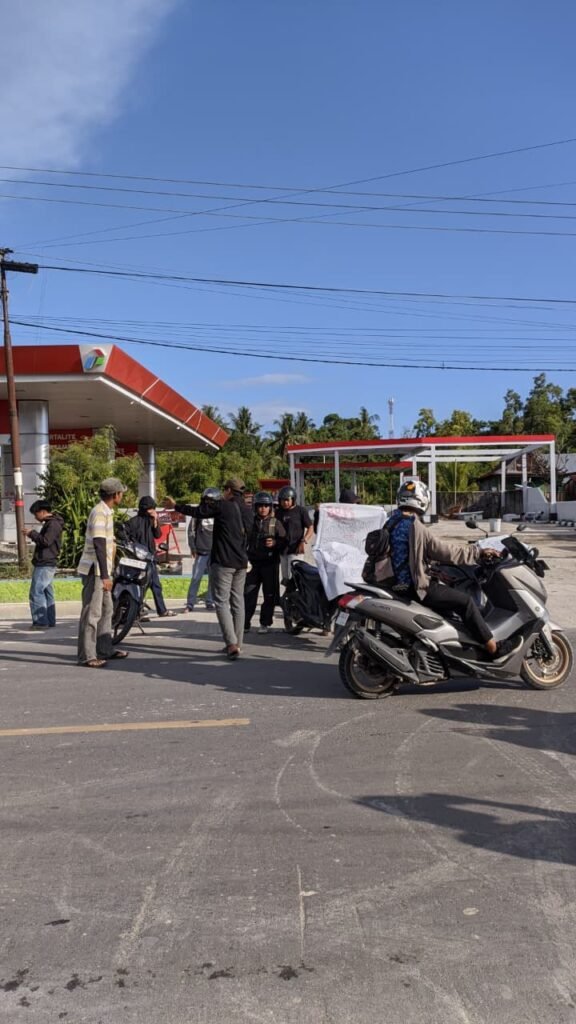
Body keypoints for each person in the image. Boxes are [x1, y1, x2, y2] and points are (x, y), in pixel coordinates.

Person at [385, 480, 522, 660]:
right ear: (422, 500)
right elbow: (446, 551)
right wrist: (477, 552)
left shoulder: (391, 522)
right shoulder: (414, 525)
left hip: (394, 583)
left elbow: (406, 553)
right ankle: (493, 648)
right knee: (466, 602)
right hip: (414, 586)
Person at [166, 478, 253, 660]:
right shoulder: (247, 509)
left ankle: (231, 644)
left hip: (224, 561)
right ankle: (238, 643)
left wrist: (176, 506)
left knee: (221, 602)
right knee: (238, 602)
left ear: (228, 490)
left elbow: (198, 512)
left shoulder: (223, 506)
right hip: (241, 562)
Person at [77, 478, 129, 669]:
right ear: (115, 495)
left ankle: (104, 649)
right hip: (96, 570)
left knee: (107, 610)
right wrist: (105, 576)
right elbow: (99, 544)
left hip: (103, 569)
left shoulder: (106, 511)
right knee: (92, 613)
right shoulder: (99, 512)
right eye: (121, 493)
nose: (122, 496)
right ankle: (87, 655)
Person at [124, 496, 175, 618]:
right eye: (151, 509)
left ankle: (161, 610)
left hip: (150, 558)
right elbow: (123, 534)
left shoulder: (151, 521)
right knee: (140, 586)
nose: (153, 511)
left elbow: (158, 535)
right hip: (138, 560)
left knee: (156, 585)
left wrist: (156, 521)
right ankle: (136, 613)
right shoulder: (133, 522)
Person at [244, 492, 287, 634]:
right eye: (260, 506)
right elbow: (242, 540)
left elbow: (284, 540)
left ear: (270, 507)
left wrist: (275, 543)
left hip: (270, 564)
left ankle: (265, 623)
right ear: (255, 507)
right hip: (253, 565)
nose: (263, 508)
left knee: (269, 595)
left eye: (266, 506)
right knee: (249, 594)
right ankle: (245, 623)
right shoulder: (250, 522)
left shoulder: (276, 523)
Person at [24, 500, 64, 630]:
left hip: (45, 563)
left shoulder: (53, 524)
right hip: (46, 562)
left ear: (42, 512)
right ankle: (49, 620)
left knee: (36, 592)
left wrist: (32, 533)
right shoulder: (52, 523)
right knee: (47, 592)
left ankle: (41, 622)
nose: (35, 517)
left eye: (35, 514)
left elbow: (46, 541)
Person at [185, 488, 217, 612]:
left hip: (215, 552)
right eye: (207, 500)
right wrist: (193, 547)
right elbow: (191, 531)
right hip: (201, 551)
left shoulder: (219, 513)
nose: (209, 502)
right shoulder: (198, 513)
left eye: (211, 500)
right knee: (196, 578)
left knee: (213, 579)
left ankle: (210, 601)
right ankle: (190, 603)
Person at [276, 485, 313, 582]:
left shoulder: (301, 511)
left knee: (296, 577)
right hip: (282, 550)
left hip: (296, 549)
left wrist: (304, 540)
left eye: (287, 500)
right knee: (285, 578)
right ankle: (287, 591)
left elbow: (310, 527)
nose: (285, 503)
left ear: (293, 499)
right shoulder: (278, 512)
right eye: (283, 500)